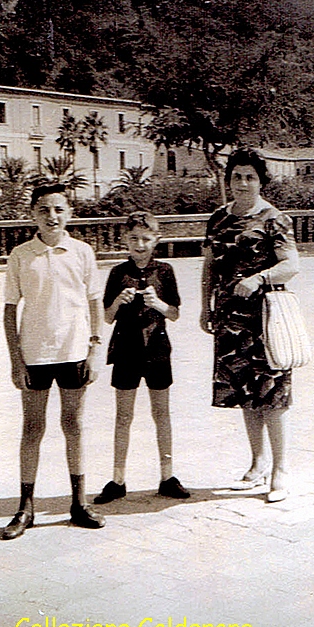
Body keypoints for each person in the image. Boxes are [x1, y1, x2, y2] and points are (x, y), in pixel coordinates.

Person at [0, 183, 105, 540]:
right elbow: (10, 310)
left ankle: (79, 503)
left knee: (73, 425)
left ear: (69, 213)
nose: (52, 216)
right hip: (35, 354)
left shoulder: (82, 251)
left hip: (74, 351)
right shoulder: (20, 255)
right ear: (32, 214)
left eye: (59, 209)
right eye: (44, 209)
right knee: (32, 429)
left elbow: (93, 302)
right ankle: (25, 507)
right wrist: (17, 361)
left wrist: (93, 348)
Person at [200, 148, 299, 503]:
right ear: (228, 180)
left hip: (265, 317)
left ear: (261, 181)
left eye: (250, 177)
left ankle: (280, 469)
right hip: (228, 316)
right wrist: (205, 307)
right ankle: (257, 464)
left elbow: (291, 264)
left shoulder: (275, 219)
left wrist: (259, 278)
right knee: (243, 392)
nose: (242, 183)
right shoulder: (217, 219)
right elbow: (209, 266)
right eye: (237, 176)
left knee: (272, 394)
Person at [94, 211, 190, 504]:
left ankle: (167, 476)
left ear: (156, 240)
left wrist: (158, 304)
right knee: (124, 416)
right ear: (124, 240)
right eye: (134, 238)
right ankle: (118, 479)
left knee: (161, 414)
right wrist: (117, 303)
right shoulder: (116, 273)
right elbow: (106, 318)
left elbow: (174, 313)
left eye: (146, 238)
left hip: (158, 351)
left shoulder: (165, 271)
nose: (140, 244)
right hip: (126, 351)